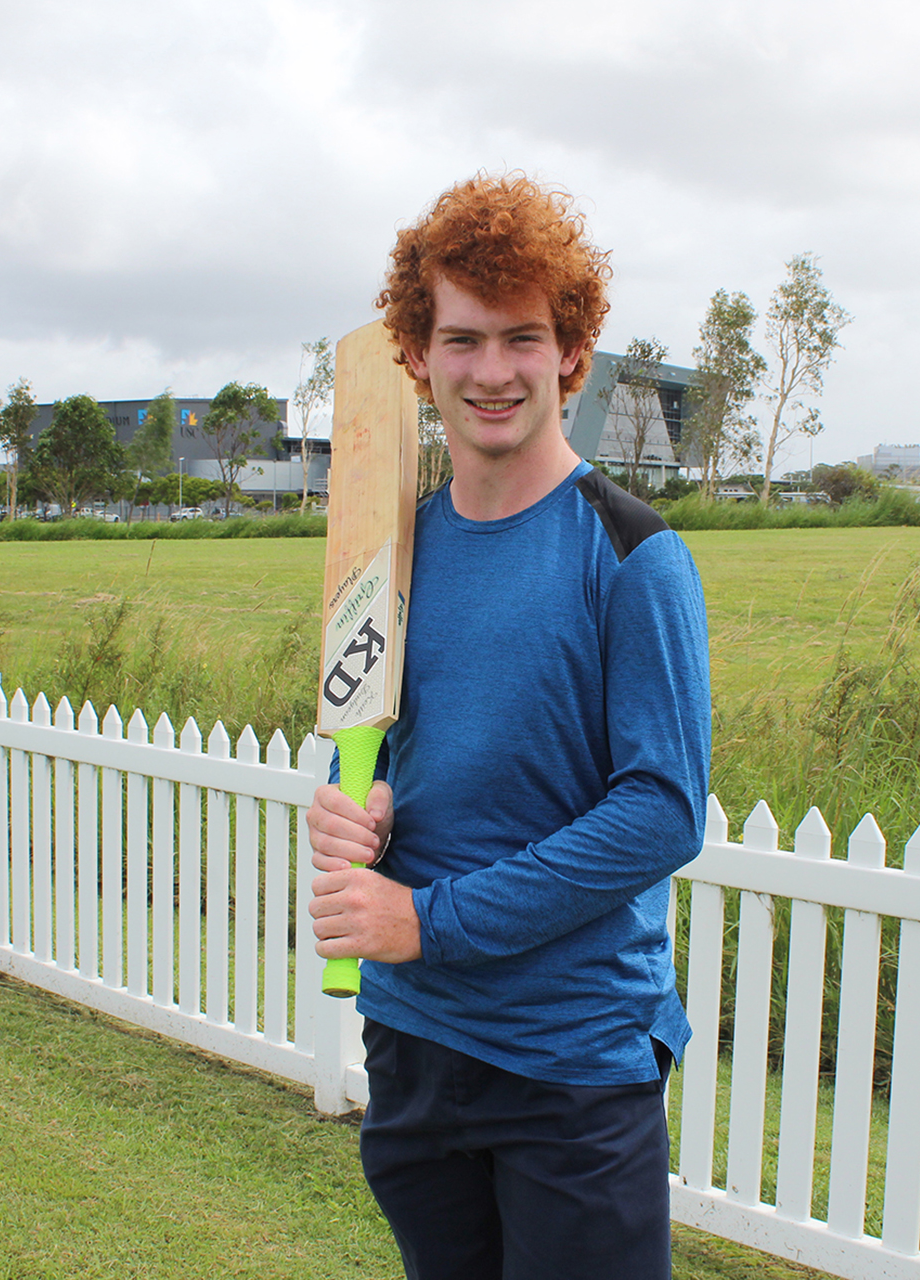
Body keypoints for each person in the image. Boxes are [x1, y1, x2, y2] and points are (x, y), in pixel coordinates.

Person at [306, 173, 712, 1280]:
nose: (492, 371)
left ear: (570, 354)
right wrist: (363, 805)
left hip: (569, 1062)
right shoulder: (394, 552)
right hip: (414, 1040)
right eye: (464, 338)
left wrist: (424, 919)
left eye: (522, 337)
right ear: (416, 353)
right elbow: (396, 743)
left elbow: (661, 811)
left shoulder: (631, 554)